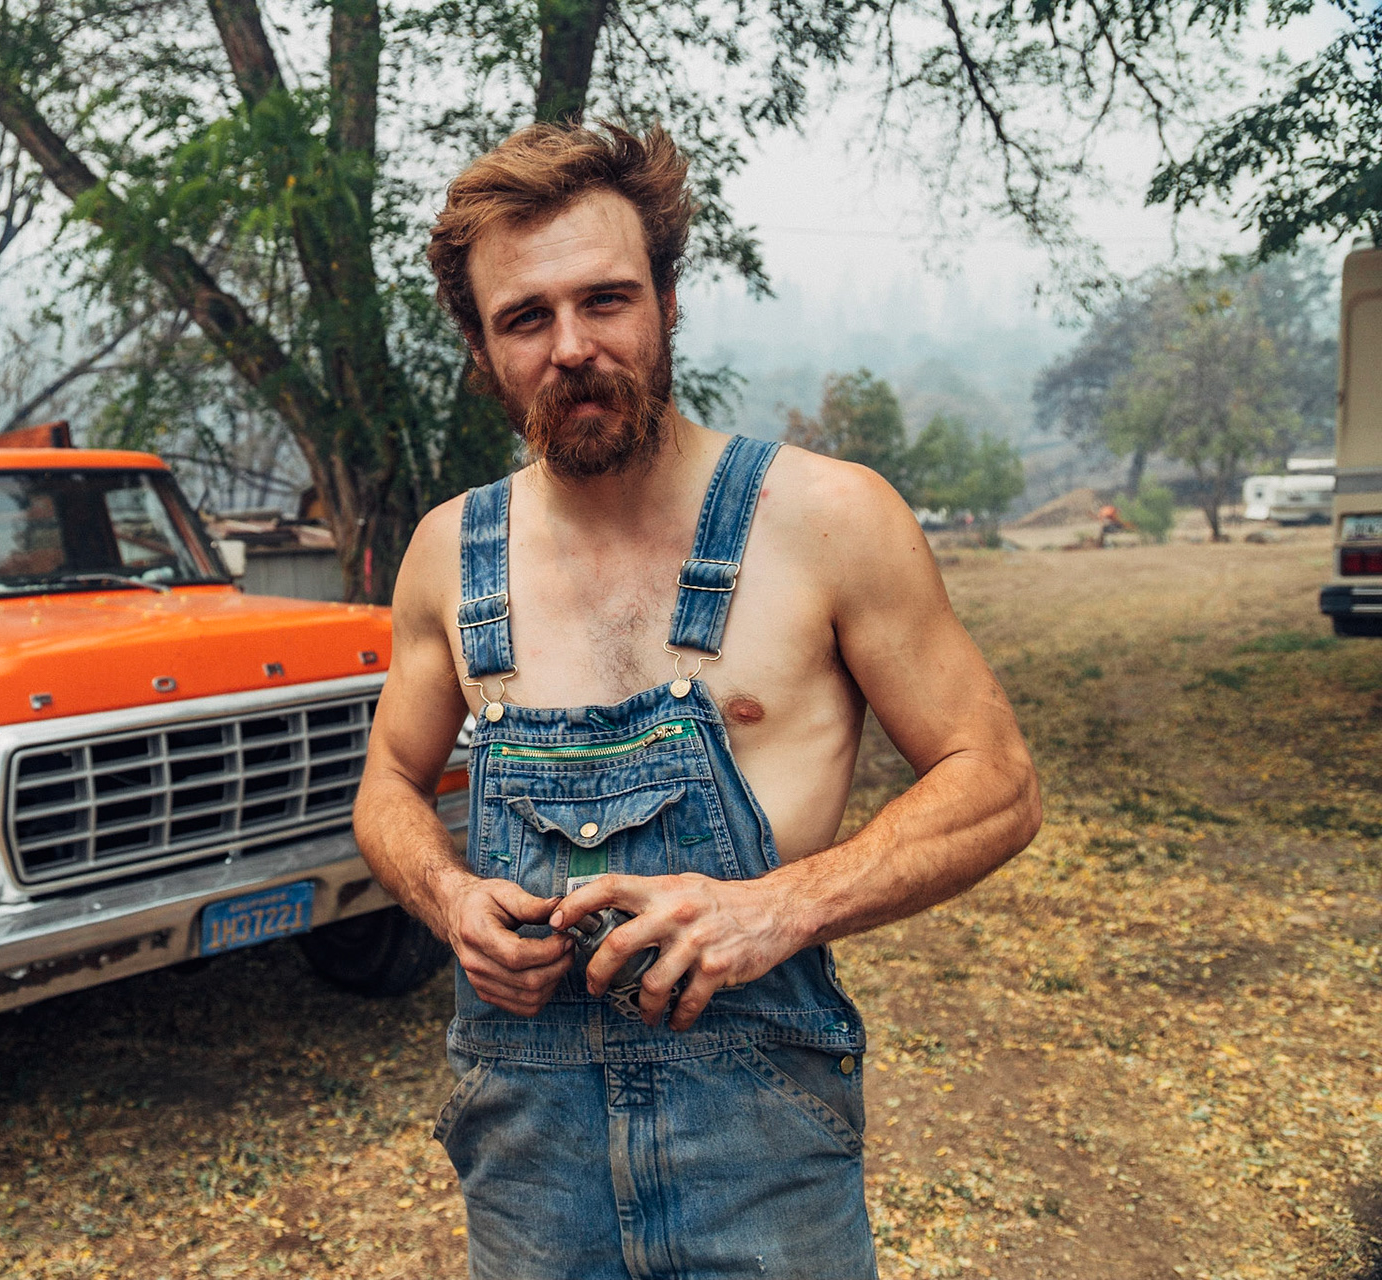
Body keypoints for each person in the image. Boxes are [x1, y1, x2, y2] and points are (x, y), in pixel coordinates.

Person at [350, 120, 1043, 1280]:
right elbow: (388, 784)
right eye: (526, 317)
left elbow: (998, 781)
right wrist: (448, 895)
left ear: (668, 300)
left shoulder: (829, 517)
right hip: (526, 1151)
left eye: (607, 299)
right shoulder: (446, 553)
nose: (573, 346)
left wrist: (780, 906)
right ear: (481, 348)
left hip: (761, 1139)